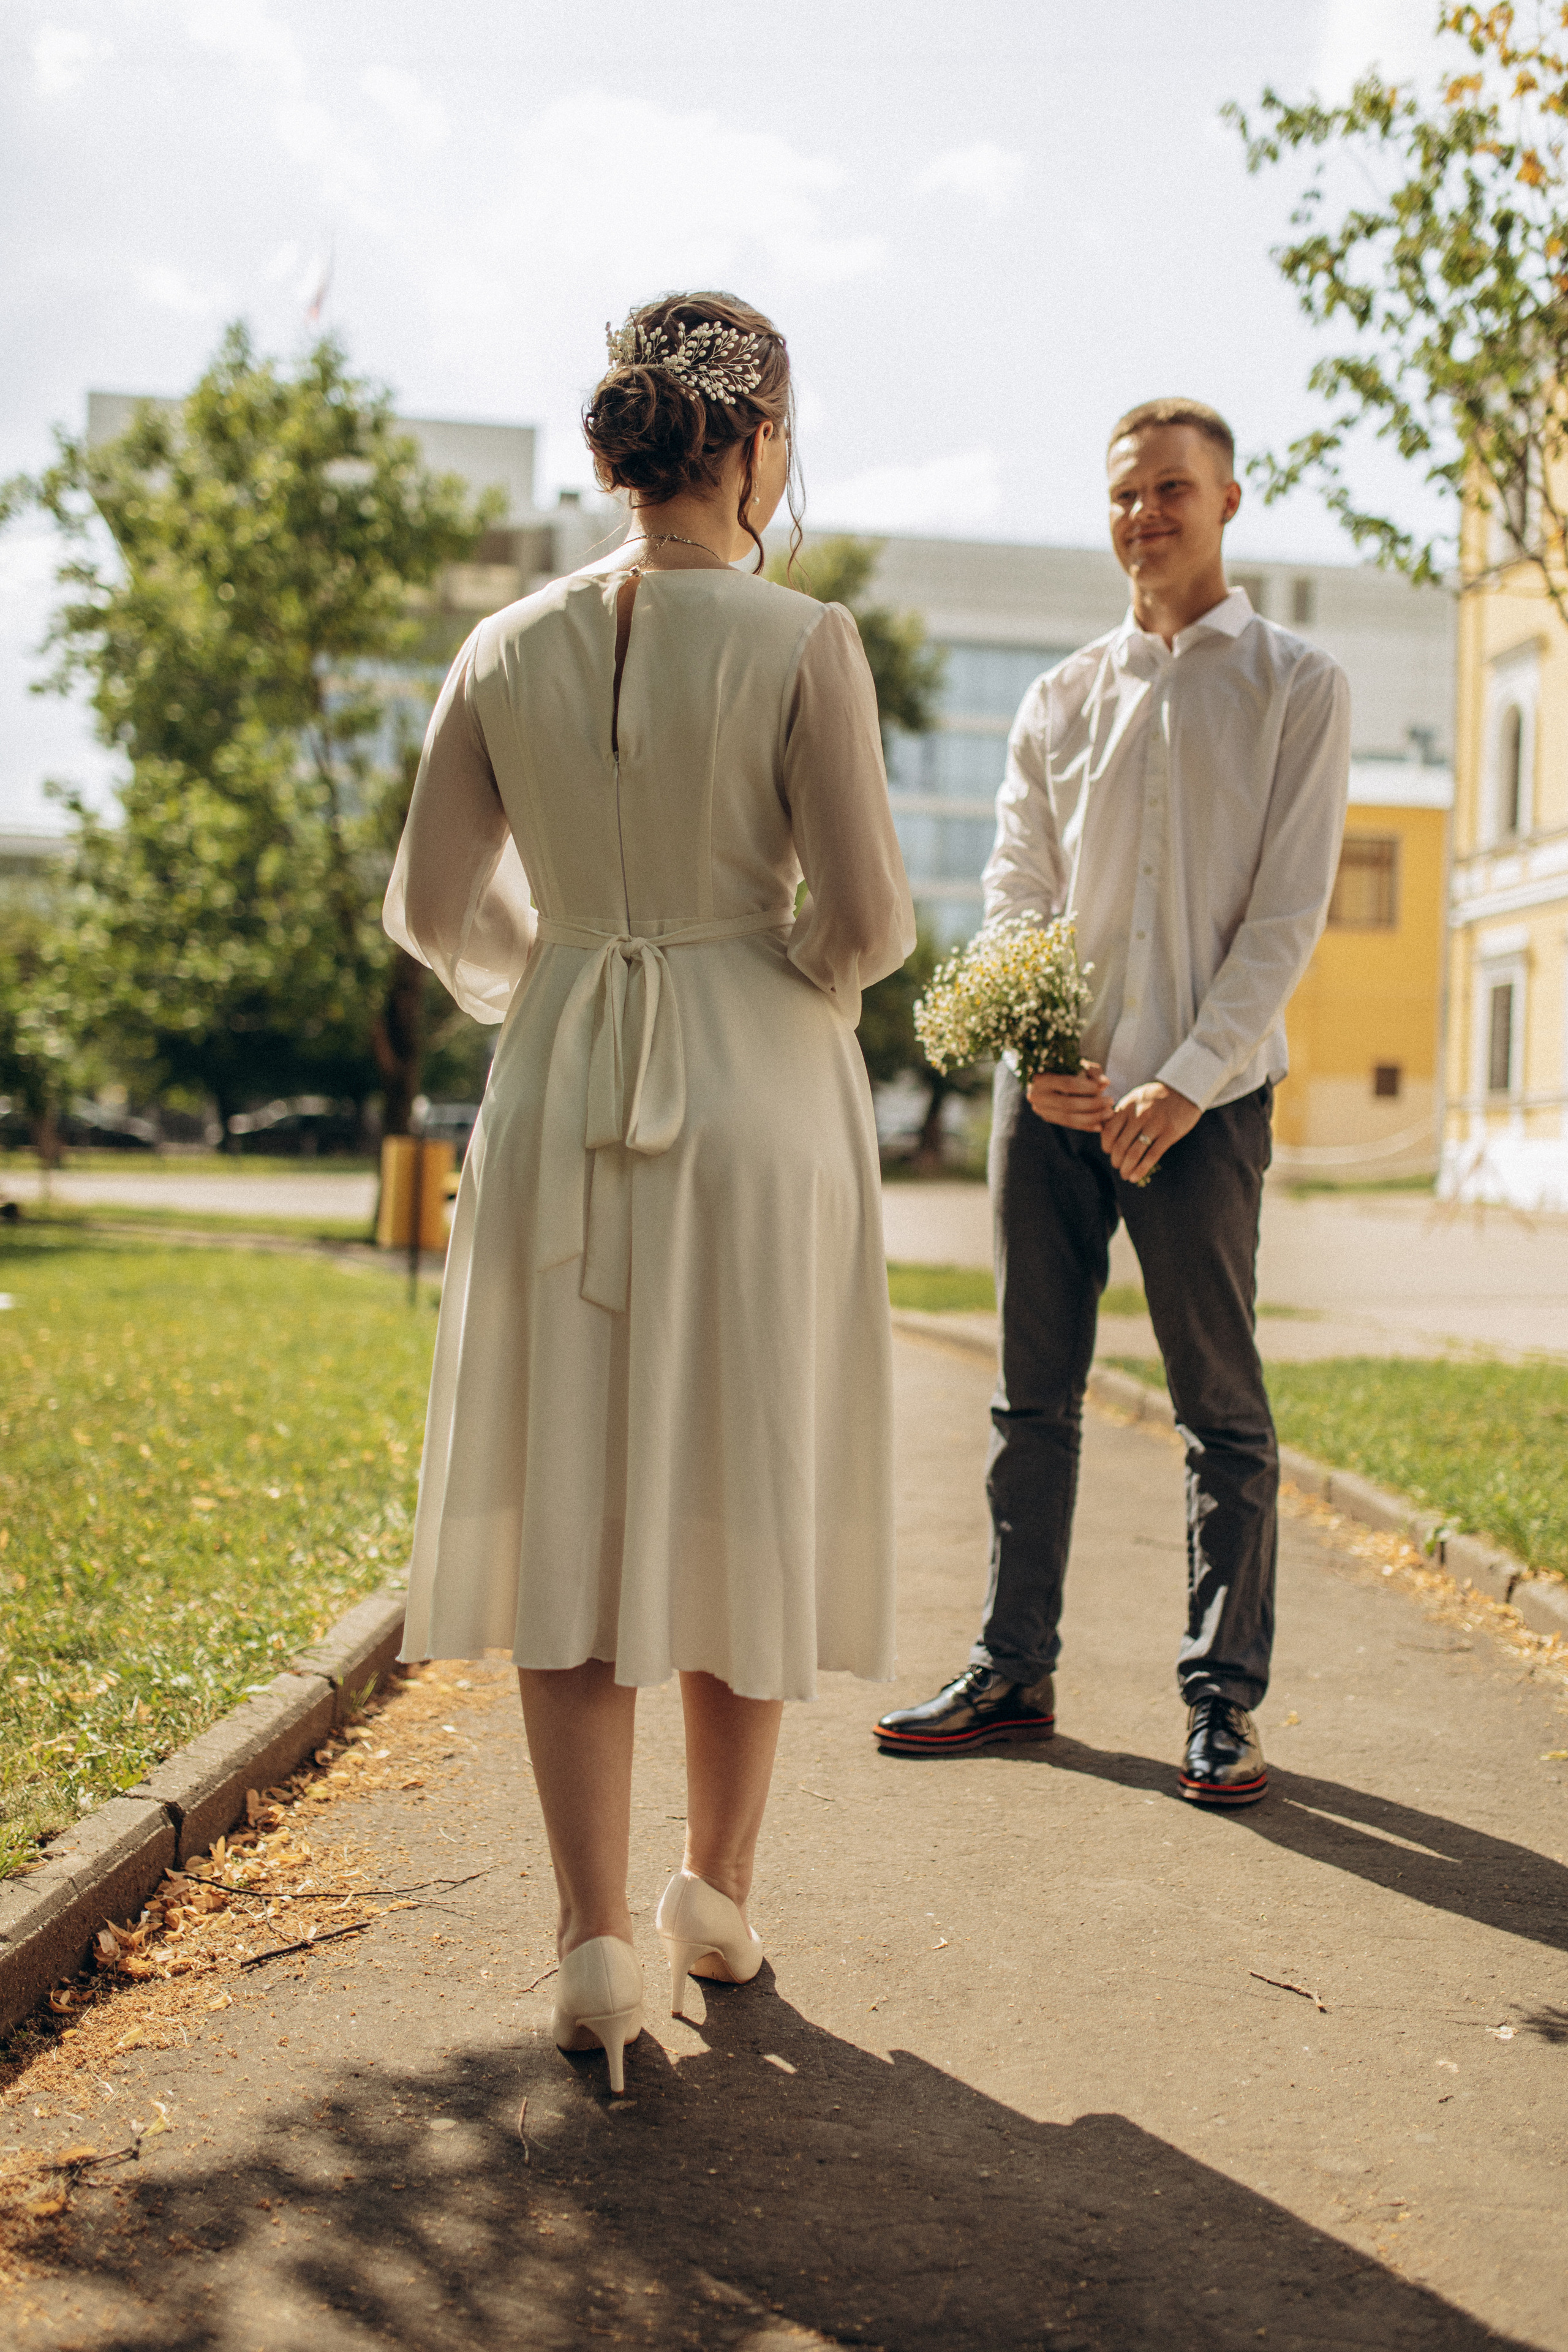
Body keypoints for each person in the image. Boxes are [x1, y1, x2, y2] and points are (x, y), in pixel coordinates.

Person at [384, 293, 914, 2090]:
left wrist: (559, 973)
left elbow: (436, 907)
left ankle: (589, 1940)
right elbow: (867, 922)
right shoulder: (803, 636)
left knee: (573, 1495)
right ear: (756, 444)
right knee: (739, 1474)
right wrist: (760, 983)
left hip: (554, 1086)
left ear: (621, 452)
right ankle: (717, 1891)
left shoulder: (501, 646)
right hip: (750, 1093)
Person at [874, 399, 1350, 1806]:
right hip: (1057, 1107)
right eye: (1124, 495)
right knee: (1031, 1398)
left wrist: (1182, 1085)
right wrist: (1038, 1050)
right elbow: (1012, 892)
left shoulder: (1292, 684)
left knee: (1221, 1411)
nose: (1143, 514)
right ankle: (1012, 1667)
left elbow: (1285, 918)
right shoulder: (1059, 696)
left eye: (1170, 490)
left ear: (1226, 502)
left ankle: (1221, 1704)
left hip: (1206, 1111)